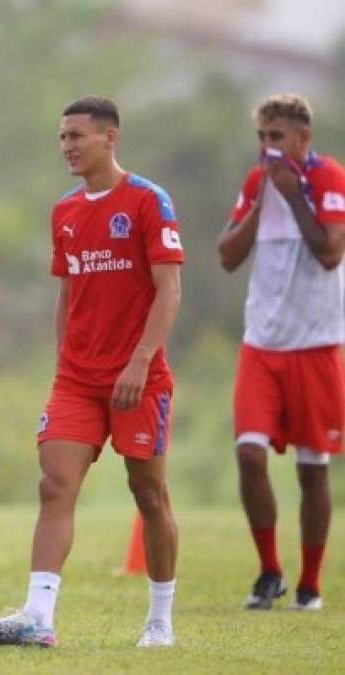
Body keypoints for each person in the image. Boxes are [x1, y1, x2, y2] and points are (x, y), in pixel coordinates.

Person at [0, 95, 184, 648]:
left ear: (110, 137)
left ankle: (160, 618)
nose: (66, 145)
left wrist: (139, 360)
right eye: (62, 137)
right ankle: (38, 617)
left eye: (77, 136)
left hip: (139, 378)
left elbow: (169, 290)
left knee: (149, 495)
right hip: (77, 380)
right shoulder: (64, 210)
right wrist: (65, 361)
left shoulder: (147, 201)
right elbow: (68, 293)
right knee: (55, 484)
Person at [217, 93, 345, 612]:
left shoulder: (329, 178)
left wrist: (293, 195)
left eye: (277, 137)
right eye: (262, 137)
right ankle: (269, 571)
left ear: (302, 139)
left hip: (315, 344)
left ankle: (310, 581)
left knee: (312, 470)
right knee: (249, 454)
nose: (268, 147)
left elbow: (331, 252)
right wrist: (264, 198)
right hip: (261, 345)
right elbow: (227, 256)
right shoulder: (258, 183)